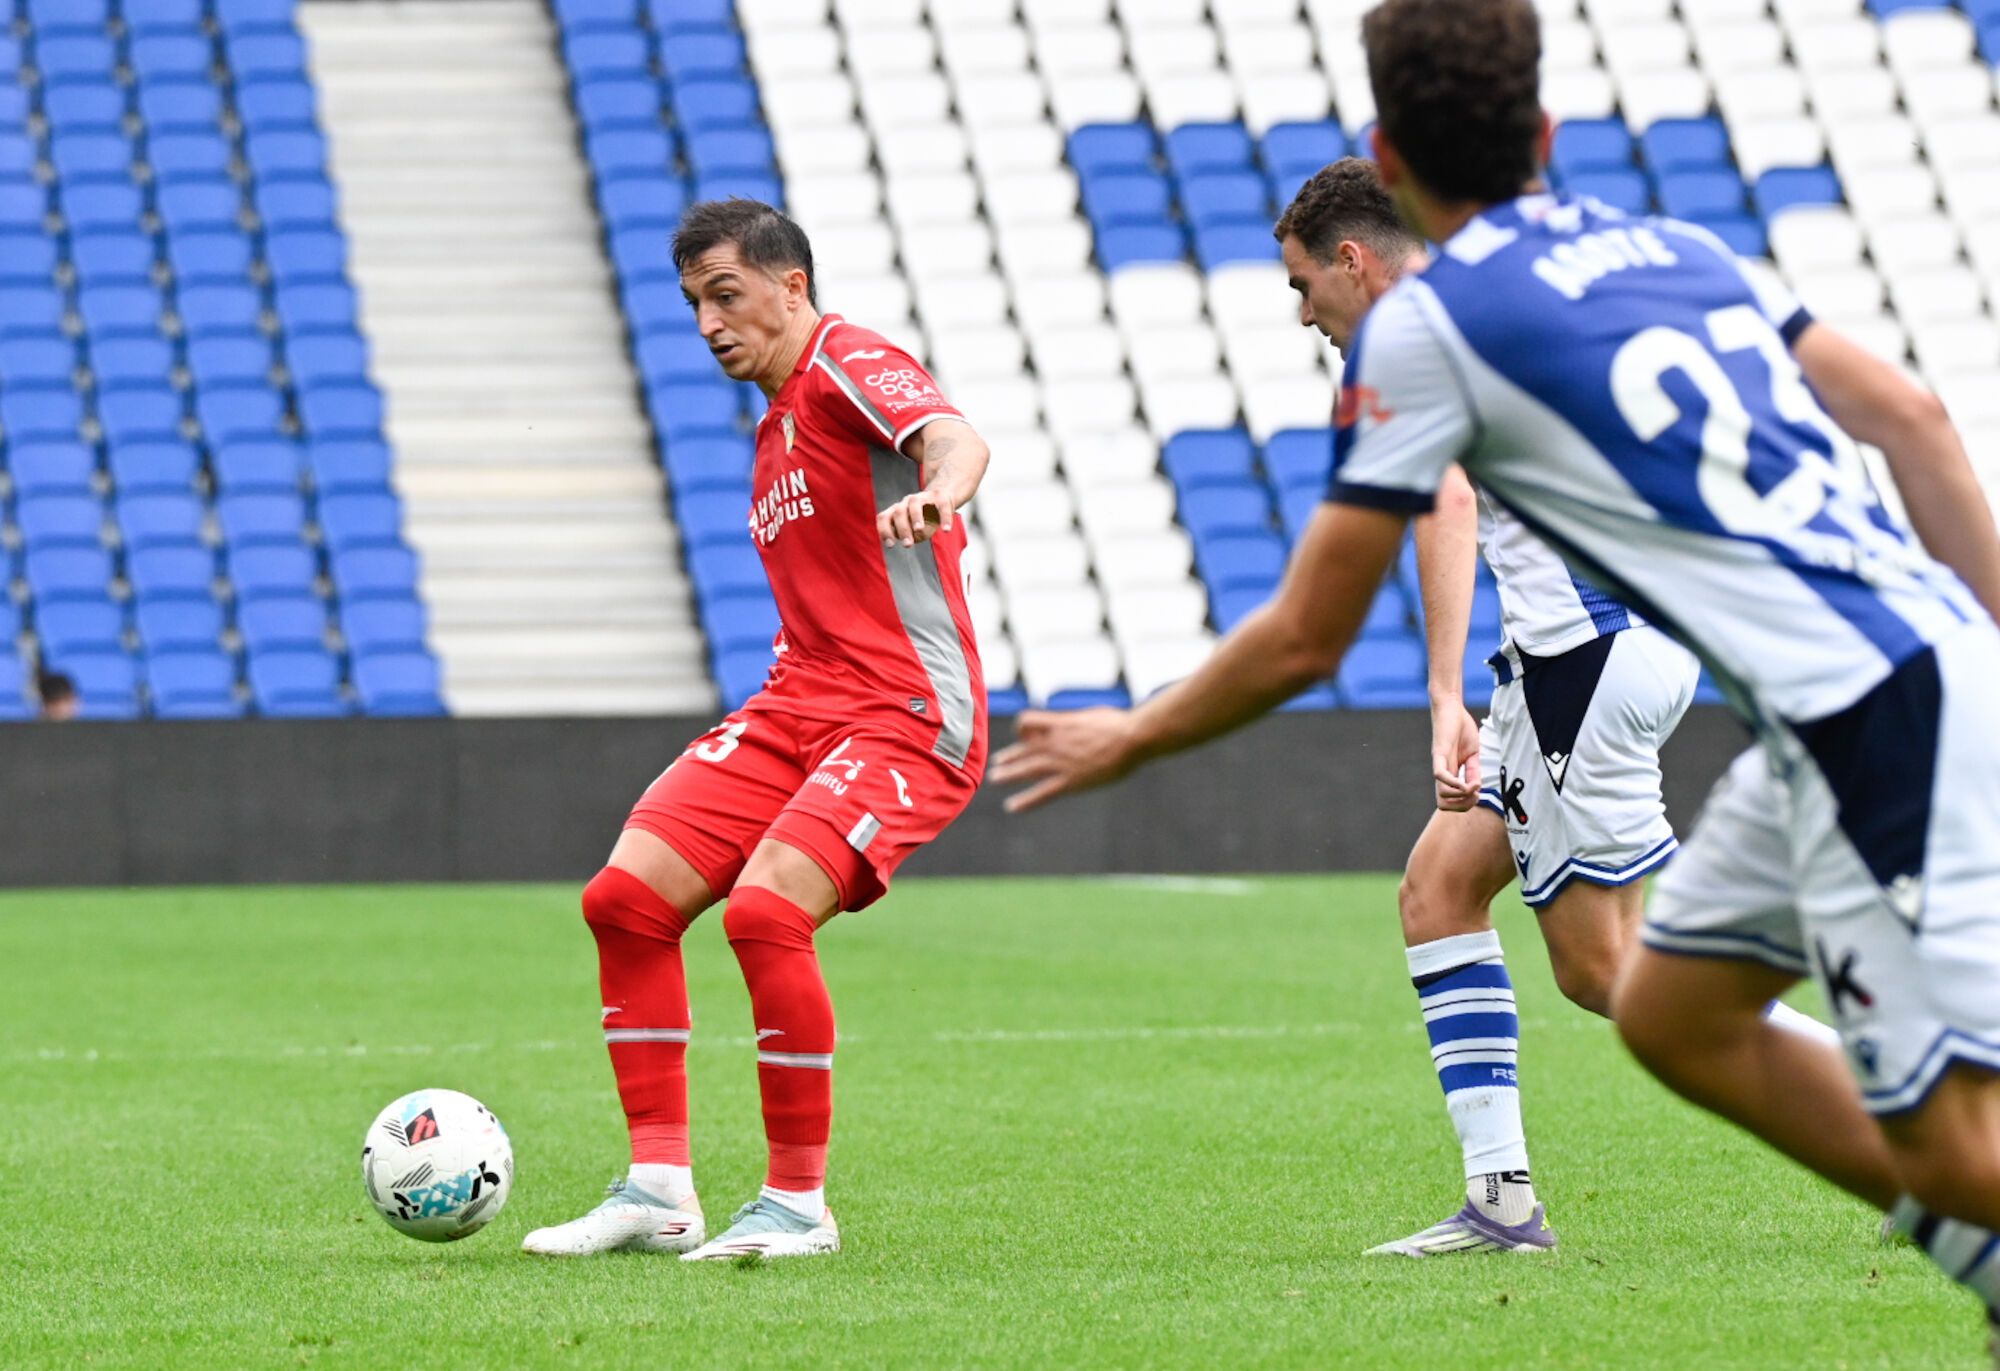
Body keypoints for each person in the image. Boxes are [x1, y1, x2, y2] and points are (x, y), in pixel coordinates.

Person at [995, 0, 2000, 1355]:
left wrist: (1136, 735)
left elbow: (1305, 635)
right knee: (1667, 1008)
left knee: (1947, 1149)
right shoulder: (1682, 246)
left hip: (1868, 717)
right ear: (1546, 133)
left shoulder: (1432, 331)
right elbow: (1916, 419)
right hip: (1887, 676)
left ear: (1384, 152)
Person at [1272, 158, 1836, 1258]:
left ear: (1352, 260)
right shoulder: (1506, 299)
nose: (1306, 318)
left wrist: (1440, 694)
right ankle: (1500, 1202)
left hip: (1587, 657)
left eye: (1303, 288)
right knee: (1438, 889)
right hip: (1572, 657)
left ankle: (1936, 1098)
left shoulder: (1420, 341)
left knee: (1606, 974)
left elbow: (1444, 495)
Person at [523, 199, 992, 1262]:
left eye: (723, 294)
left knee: (763, 911)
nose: (705, 322)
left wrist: (939, 494)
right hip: (797, 706)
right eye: (692, 302)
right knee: (625, 902)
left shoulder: (843, 360)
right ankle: (655, 1187)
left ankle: (796, 1204)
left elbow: (954, 439)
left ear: (790, 285)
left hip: (906, 713)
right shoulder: (775, 424)